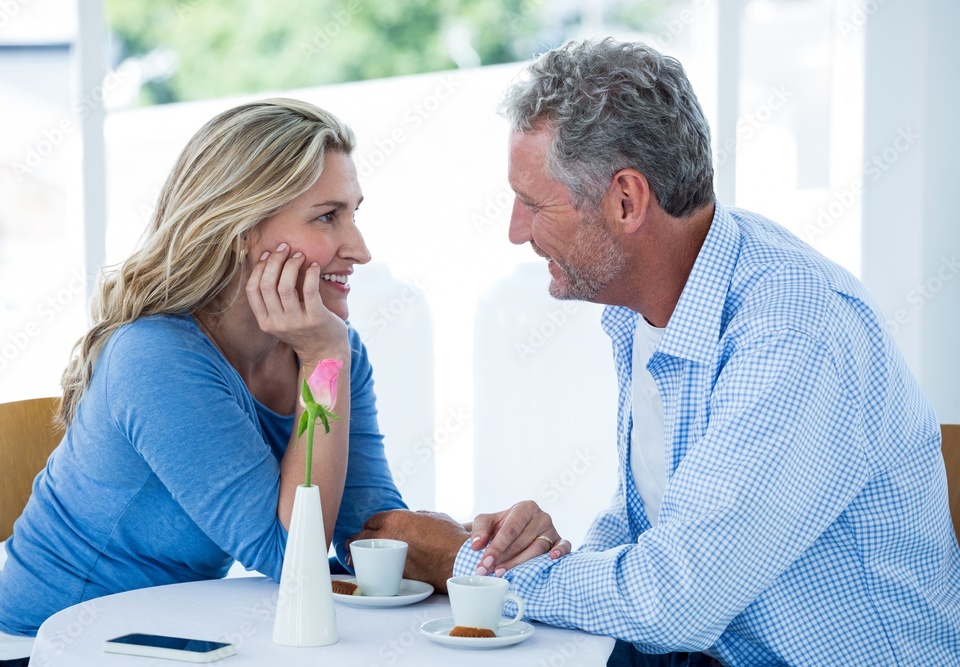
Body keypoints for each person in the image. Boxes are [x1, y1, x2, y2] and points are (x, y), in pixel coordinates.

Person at [352, 39, 960, 666]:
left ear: (626, 200)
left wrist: (468, 567)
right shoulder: (648, 306)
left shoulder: (793, 332)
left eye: (534, 204)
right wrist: (544, 556)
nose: (515, 230)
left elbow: (677, 601)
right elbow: (662, 536)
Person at [0, 98, 408, 638]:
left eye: (355, 214)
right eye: (327, 217)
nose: (360, 249)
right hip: (54, 646)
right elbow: (292, 558)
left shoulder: (331, 349)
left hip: (178, 636)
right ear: (240, 232)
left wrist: (481, 550)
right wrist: (322, 362)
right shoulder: (156, 358)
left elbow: (368, 535)